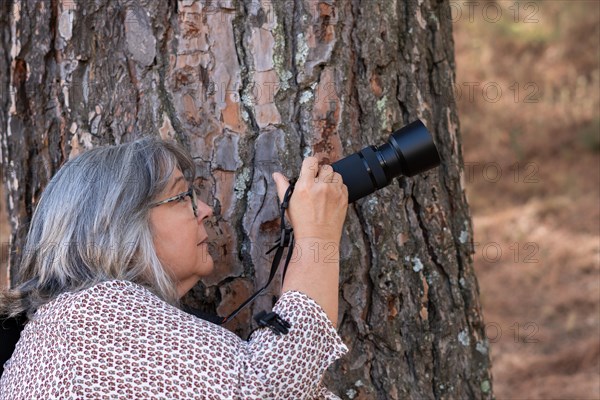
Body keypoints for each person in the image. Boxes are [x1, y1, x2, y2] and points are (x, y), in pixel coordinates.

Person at [0, 137, 349, 399]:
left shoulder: (61, 333)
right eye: (182, 196)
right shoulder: (86, 319)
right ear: (119, 225)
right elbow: (266, 389)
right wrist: (317, 235)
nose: (207, 209)